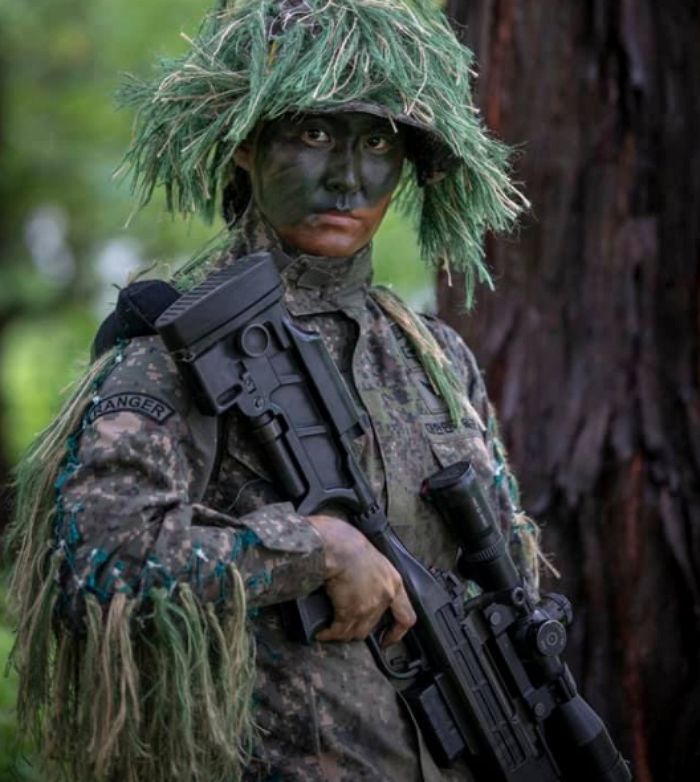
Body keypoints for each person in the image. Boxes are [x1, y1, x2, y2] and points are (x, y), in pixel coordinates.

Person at [8, 1, 540, 780]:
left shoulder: (434, 359)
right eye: (314, 134)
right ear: (247, 145)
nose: (347, 176)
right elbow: (98, 564)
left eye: (378, 141)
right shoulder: (174, 352)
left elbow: (508, 576)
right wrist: (309, 549)